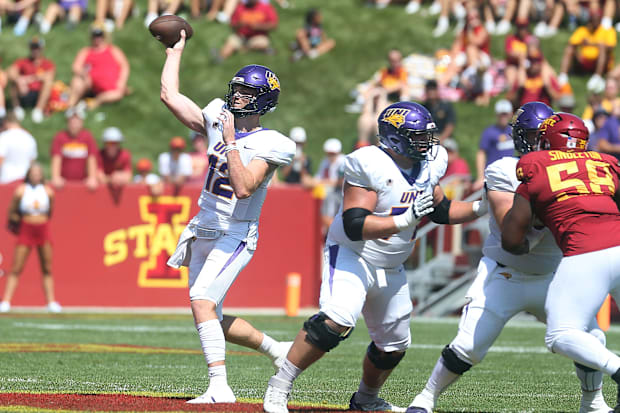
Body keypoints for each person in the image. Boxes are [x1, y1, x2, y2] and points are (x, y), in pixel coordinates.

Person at [263, 101, 488, 413]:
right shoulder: (370, 163)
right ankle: (279, 386)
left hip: (391, 262)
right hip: (354, 254)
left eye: (427, 135)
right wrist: (404, 220)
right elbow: (355, 225)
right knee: (336, 320)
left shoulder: (430, 162)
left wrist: (482, 206)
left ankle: (366, 400)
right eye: (418, 136)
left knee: (393, 346)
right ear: (395, 137)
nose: (427, 143)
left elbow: (442, 209)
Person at [407, 103, 610, 413]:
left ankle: (593, 403)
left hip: (557, 275)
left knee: (592, 338)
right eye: (532, 136)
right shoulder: (505, 168)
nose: (539, 143)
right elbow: (512, 235)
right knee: (468, 346)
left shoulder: (582, 170)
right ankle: (425, 399)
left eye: (543, 136)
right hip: (507, 272)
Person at [160, 29, 296, 403]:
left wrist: (232, 140)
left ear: (263, 101)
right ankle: (277, 350)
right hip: (203, 226)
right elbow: (170, 96)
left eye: (247, 93)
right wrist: (175, 52)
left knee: (201, 301)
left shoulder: (274, 143)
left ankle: (220, 388)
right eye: (236, 88)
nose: (237, 96)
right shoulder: (218, 118)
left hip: (235, 232)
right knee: (211, 316)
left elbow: (244, 187)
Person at [502, 112, 620, 413]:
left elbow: (512, 239)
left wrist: (536, 233)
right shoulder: (606, 163)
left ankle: (616, 368)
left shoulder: (534, 166)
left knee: (561, 333)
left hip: (585, 251)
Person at [1, 163, 61, 313]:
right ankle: (6, 301)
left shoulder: (48, 191)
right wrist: (15, 220)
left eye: (38, 173)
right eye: (33, 173)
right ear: (28, 175)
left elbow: (50, 211)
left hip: (42, 228)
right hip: (26, 228)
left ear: (41, 175)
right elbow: (12, 210)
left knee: (47, 267)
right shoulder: (21, 190)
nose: (35, 176)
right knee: (16, 267)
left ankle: (51, 301)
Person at [67, 25, 130, 109]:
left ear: (104, 36)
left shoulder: (113, 50)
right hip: (91, 85)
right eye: (95, 36)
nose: (97, 38)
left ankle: (95, 103)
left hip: (112, 88)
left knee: (117, 94)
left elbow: (124, 66)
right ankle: (70, 107)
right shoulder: (86, 51)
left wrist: (121, 82)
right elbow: (75, 67)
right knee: (77, 81)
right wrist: (84, 75)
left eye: (100, 35)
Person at [357, 50, 409, 147]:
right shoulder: (385, 72)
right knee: (365, 119)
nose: (394, 63)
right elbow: (377, 83)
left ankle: (379, 144)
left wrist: (383, 90)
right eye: (392, 60)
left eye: (396, 60)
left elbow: (402, 85)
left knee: (377, 118)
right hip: (379, 100)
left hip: (390, 102)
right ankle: (361, 144)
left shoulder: (402, 72)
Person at [558, 8, 616, 87]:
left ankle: (597, 77)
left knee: (602, 47)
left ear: (600, 20)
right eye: (593, 20)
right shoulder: (583, 30)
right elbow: (571, 43)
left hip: (601, 62)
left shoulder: (608, 31)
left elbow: (611, 47)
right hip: (583, 60)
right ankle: (563, 76)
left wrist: (592, 44)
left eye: (597, 20)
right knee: (569, 49)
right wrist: (581, 42)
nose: (595, 22)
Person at [6, 37, 55, 124]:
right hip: (24, 92)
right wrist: (19, 80)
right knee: (13, 82)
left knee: (48, 82)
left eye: (37, 48)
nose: (35, 50)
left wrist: (28, 79)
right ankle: (17, 109)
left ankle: (38, 110)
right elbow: (10, 72)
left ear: (41, 49)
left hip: (39, 94)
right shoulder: (23, 62)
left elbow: (49, 76)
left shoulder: (47, 64)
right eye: (33, 48)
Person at [50, 107, 98, 190]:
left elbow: (91, 158)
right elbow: (56, 158)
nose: (74, 123)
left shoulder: (87, 136)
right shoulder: (60, 137)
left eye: (77, 120)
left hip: (83, 182)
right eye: (71, 120)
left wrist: (92, 177)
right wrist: (56, 177)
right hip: (64, 182)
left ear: (82, 122)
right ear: (67, 122)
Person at [473, 99, 513, 191]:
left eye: (505, 114)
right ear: (496, 115)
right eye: (501, 114)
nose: (503, 117)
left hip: (510, 174)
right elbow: (481, 153)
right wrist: (480, 177)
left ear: (510, 114)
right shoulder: (489, 132)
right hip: (494, 174)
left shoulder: (513, 131)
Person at [0, 111, 37, 184]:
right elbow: (32, 161)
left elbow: (1, 159)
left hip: (7, 179)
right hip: (25, 180)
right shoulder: (30, 138)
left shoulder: (3, 137)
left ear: (6, 123)